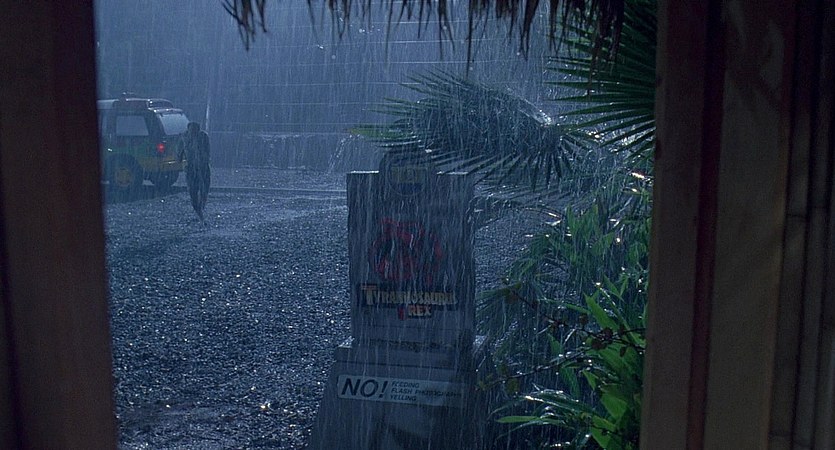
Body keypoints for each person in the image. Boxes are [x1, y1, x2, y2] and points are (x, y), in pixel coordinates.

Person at [178, 122, 211, 221]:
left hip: (203, 167)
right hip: (191, 167)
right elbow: (180, 151)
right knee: (193, 190)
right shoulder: (184, 138)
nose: (193, 132)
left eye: (195, 130)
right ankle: (198, 209)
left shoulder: (203, 137)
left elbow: (207, 150)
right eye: (191, 130)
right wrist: (180, 159)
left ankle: (201, 206)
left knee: (204, 189)